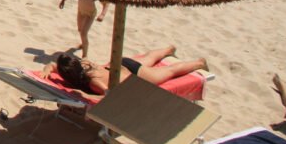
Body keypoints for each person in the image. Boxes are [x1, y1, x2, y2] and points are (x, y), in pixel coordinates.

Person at [45, 47, 208, 97]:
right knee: (149, 59)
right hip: (119, 64)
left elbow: (108, 93)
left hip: (132, 76)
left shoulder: (91, 81)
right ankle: (167, 49)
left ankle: (199, 62)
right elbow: (52, 65)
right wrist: (47, 70)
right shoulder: (85, 64)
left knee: (170, 71)